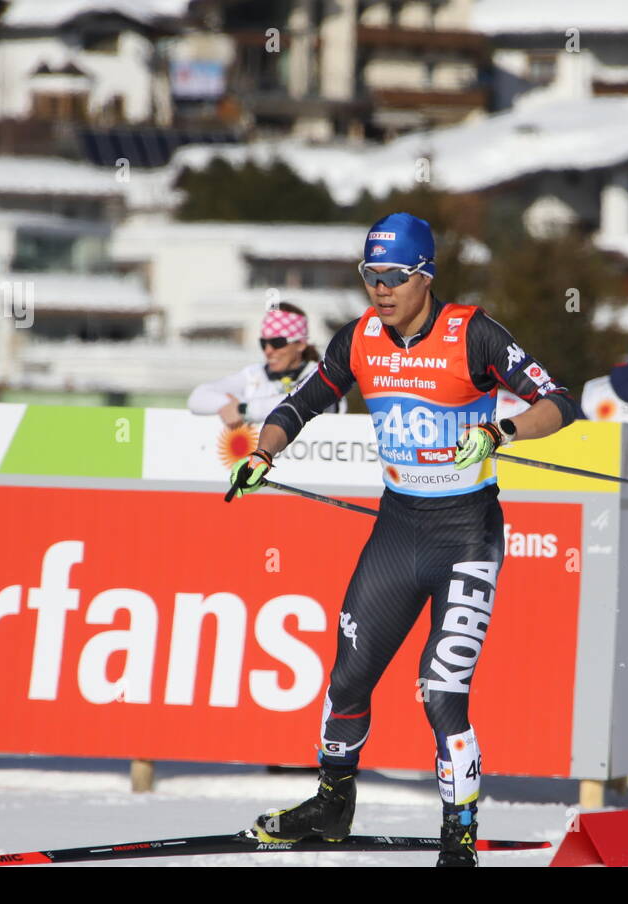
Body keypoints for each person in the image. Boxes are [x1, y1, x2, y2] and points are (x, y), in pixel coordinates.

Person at [225, 212, 578, 867]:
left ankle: (459, 838)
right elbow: (301, 401)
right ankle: (332, 802)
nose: (379, 289)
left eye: (392, 276)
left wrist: (503, 432)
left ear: (425, 275)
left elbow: (560, 399)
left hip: (466, 534)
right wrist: (263, 454)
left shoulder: (472, 334)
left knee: (441, 691)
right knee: (349, 677)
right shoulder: (359, 338)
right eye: (369, 275)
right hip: (398, 529)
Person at [187, 303, 345, 426]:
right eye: (264, 343)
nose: (268, 351)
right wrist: (229, 405)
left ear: (300, 344)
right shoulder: (254, 374)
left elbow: (300, 402)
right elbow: (198, 397)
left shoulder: (324, 375)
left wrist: (243, 409)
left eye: (277, 342)